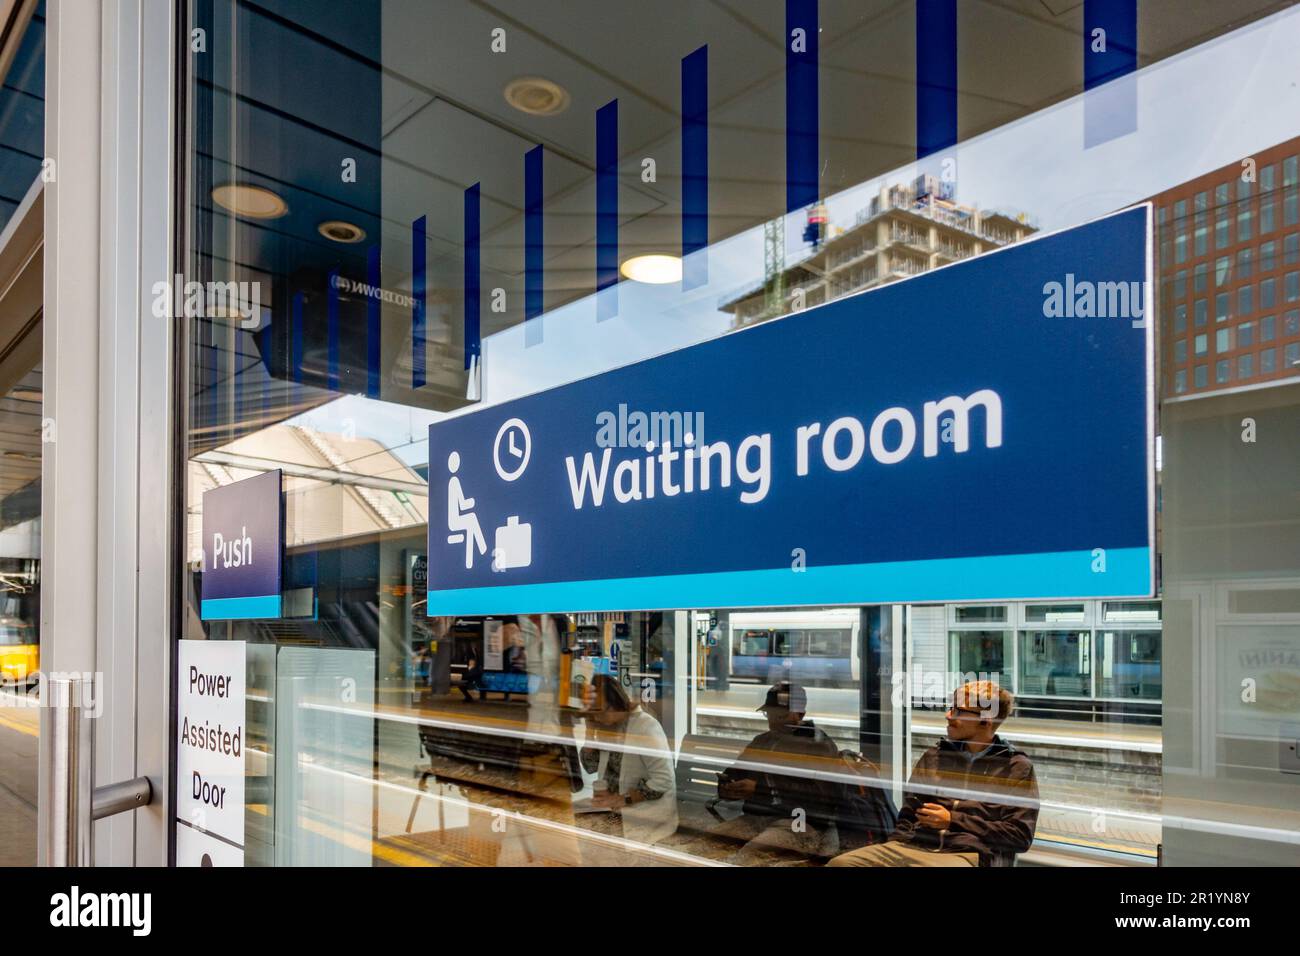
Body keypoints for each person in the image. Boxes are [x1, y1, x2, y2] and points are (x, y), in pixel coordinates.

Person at [828, 680, 1039, 867]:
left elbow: (1019, 836)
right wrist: (896, 843)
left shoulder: (1015, 767)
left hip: (967, 854)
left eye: (958, 711)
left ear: (986, 720)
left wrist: (952, 820)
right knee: (842, 863)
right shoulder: (934, 756)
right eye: (950, 708)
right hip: (914, 845)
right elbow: (909, 814)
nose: (948, 715)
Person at [711, 681, 842, 863]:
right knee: (706, 842)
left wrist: (760, 789)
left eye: (780, 715)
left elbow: (824, 797)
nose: (773, 721)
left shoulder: (818, 745)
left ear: (800, 714)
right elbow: (737, 770)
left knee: (748, 857)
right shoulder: (763, 741)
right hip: (756, 818)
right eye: (769, 714)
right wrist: (728, 786)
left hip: (800, 824)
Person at [579, 674, 678, 848]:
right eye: (592, 714)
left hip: (643, 813)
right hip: (610, 808)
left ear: (615, 705)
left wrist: (623, 799)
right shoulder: (607, 727)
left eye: (599, 713)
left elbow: (664, 781)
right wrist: (590, 734)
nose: (597, 718)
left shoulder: (646, 727)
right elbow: (590, 767)